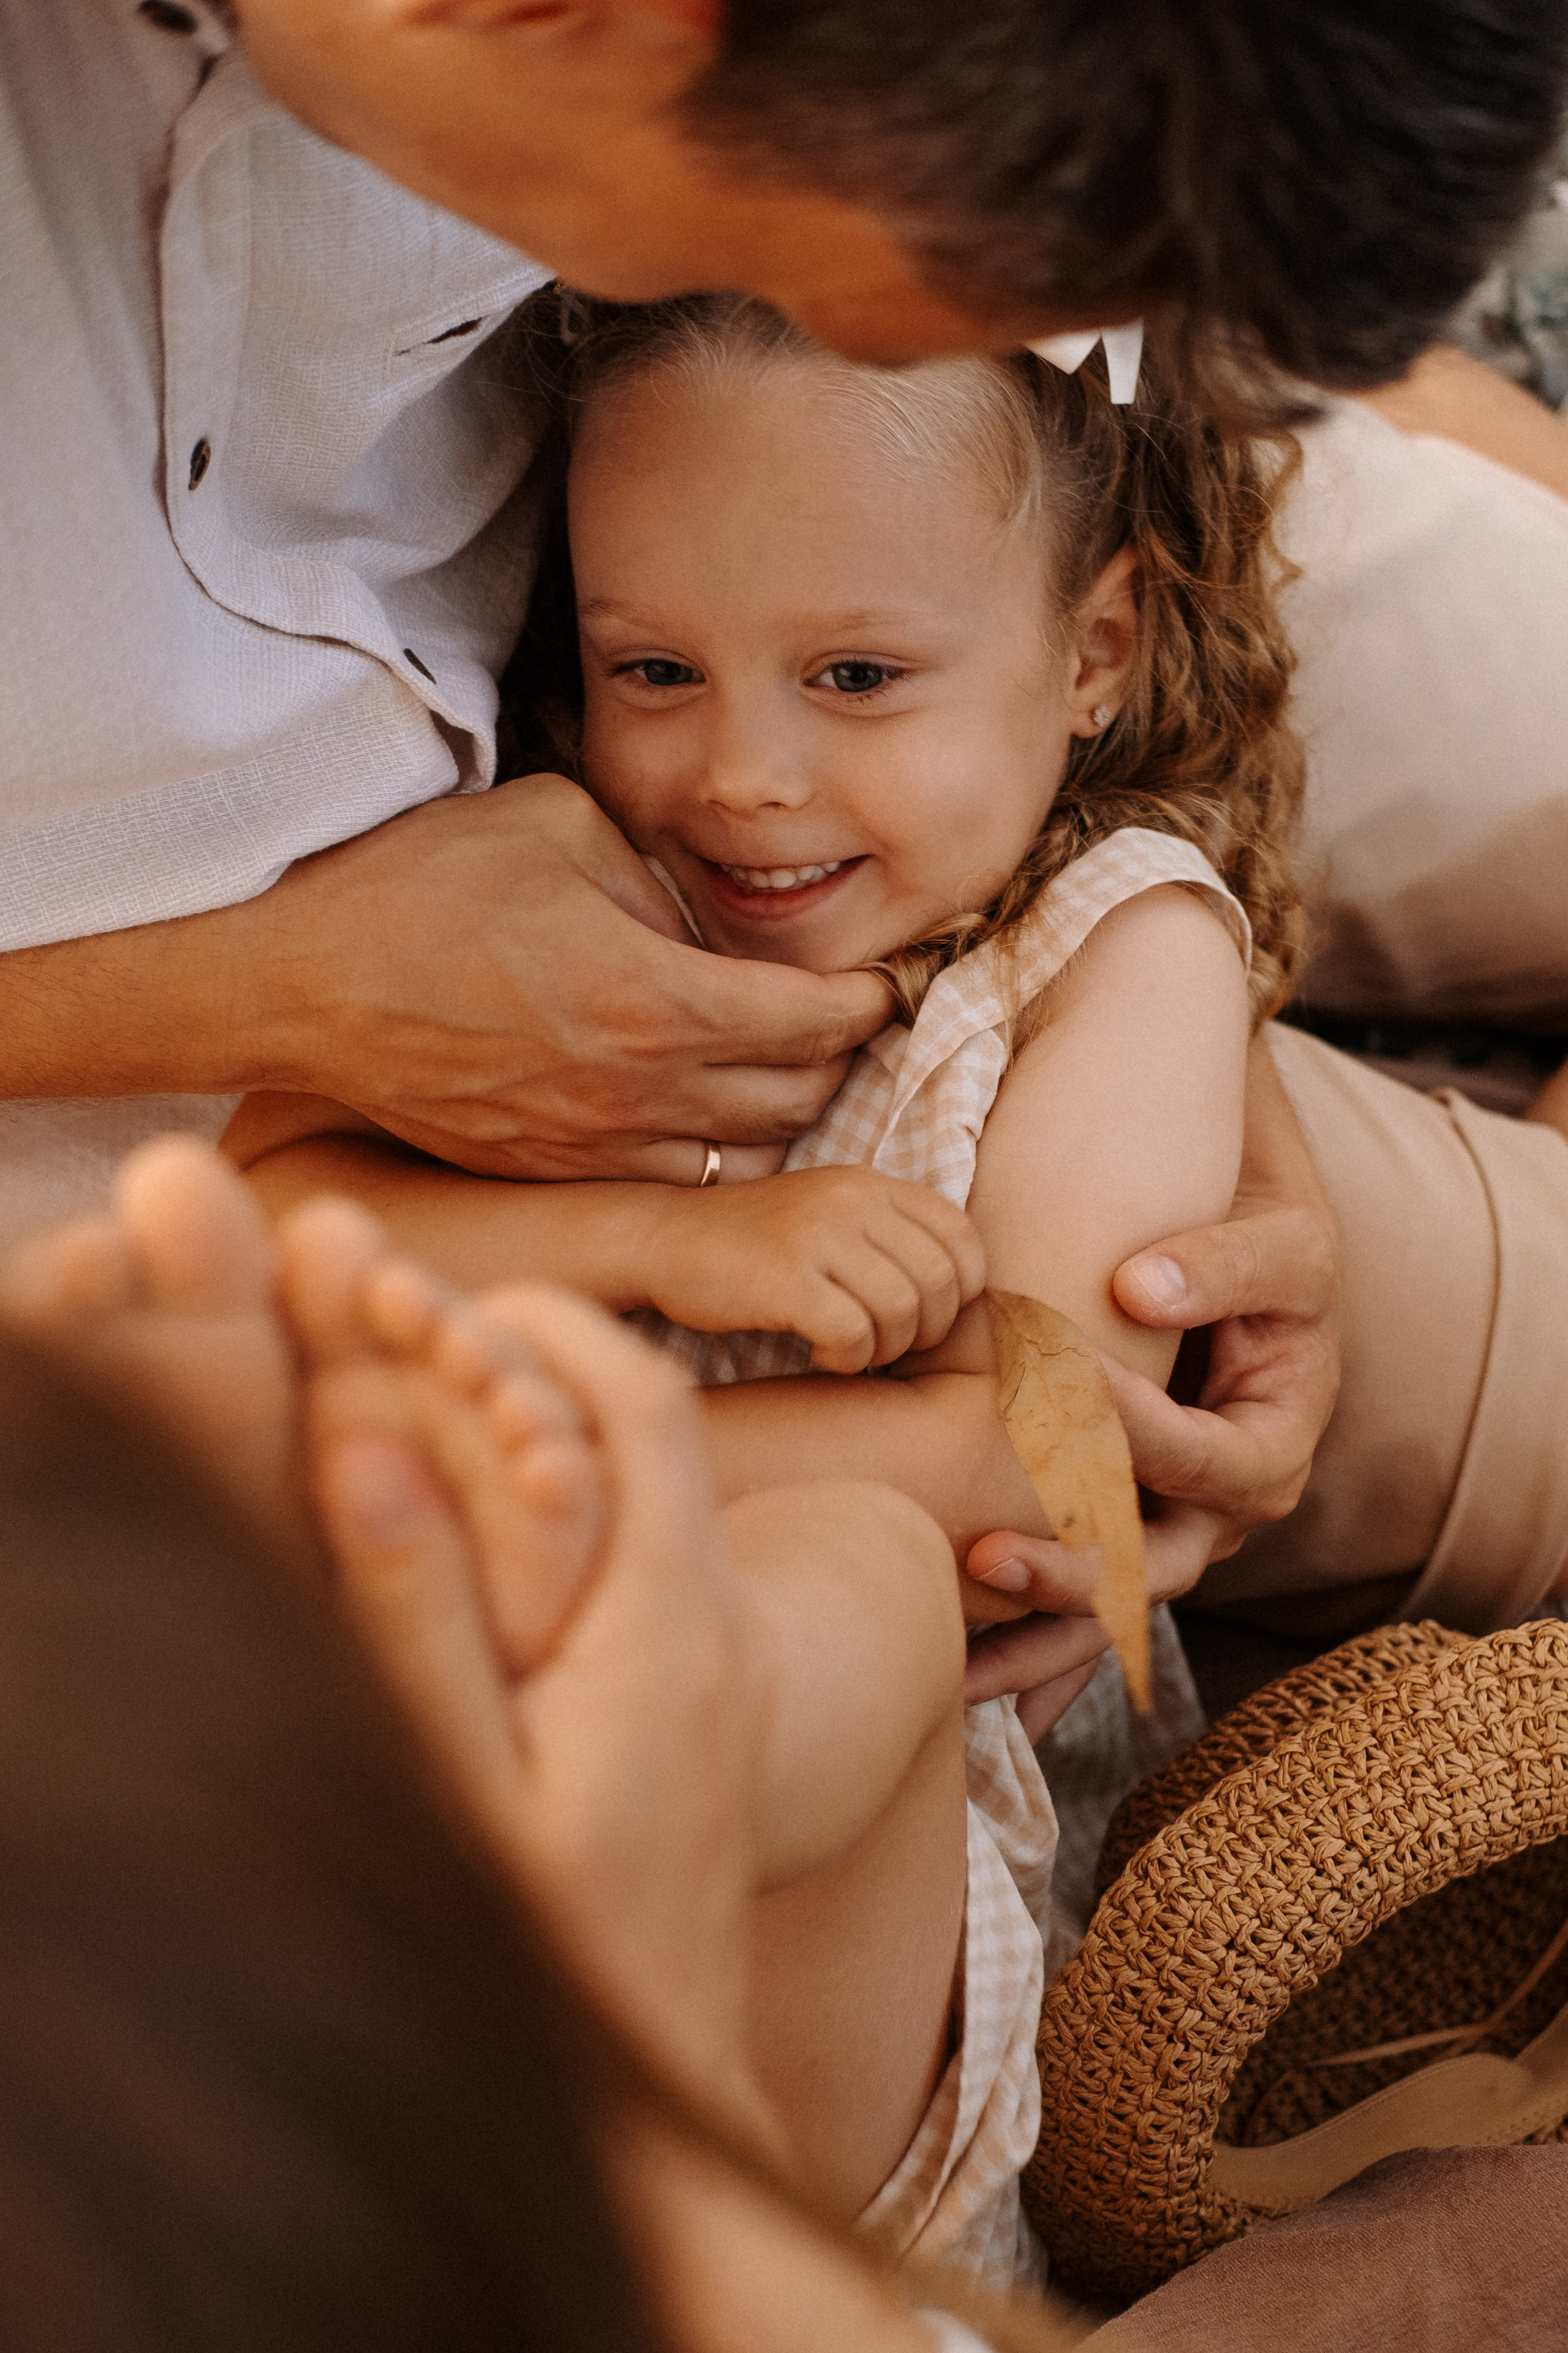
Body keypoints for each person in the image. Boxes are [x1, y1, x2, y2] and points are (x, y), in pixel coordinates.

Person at [6, 0, 1568, 1645]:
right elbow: (1034, 1453)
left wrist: (1149, 952)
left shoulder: (905, 285)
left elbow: (1071, 270)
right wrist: (252, 986)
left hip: (923, 506)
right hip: (610, 820)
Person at [7, 1136, 1568, 2352]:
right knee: (1500, 2238)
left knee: (865, 1566)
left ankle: (688, 1720)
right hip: (792, 2246)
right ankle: (647, 1799)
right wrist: (643, 2064)